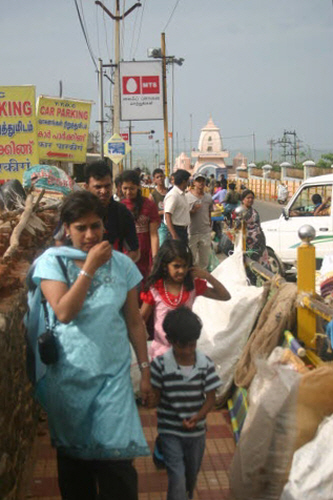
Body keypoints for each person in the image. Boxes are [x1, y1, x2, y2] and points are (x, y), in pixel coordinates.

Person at [32, 191, 152, 500]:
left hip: (113, 379)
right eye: (81, 228)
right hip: (70, 380)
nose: (89, 235)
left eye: (95, 226)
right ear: (67, 229)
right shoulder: (52, 262)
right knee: (76, 473)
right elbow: (64, 311)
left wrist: (145, 368)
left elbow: (134, 322)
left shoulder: (123, 265)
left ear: (104, 227)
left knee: (118, 468)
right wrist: (90, 267)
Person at [150, 306, 222, 500]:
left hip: (197, 433)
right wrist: (149, 397)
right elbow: (154, 397)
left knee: (191, 476)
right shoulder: (160, 365)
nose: (188, 351)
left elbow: (211, 399)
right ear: (171, 341)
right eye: (183, 346)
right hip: (169, 431)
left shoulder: (205, 364)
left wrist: (198, 417)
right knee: (177, 476)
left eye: (192, 345)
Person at [140, 239, 230, 360]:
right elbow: (141, 319)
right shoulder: (156, 288)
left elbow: (225, 296)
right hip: (161, 356)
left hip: (186, 356)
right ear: (165, 266)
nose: (181, 271)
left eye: (184, 266)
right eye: (176, 266)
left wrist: (207, 276)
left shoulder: (192, 286)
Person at [84, 161, 140, 262]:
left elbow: (134, 252)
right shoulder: (76, 211)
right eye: (98, 187)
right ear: (86, 187)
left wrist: (118, 269)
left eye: (107, 186)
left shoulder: (122, 213)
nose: (104, 191)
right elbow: (60, 244)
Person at [121, 169, 160, 281]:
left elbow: (153, 235)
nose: (128, 192)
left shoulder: (149, 205)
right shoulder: (119, 207)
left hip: (145, 255)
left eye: (132, 188)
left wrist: (155, 259)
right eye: (125, 188)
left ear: (138, 187)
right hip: (126, 255)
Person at [240, 189, 272, 281]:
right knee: (248, 265)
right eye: (248, 198)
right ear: (243, 199)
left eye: (252, 198)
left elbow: (258, 226)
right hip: (246, 244)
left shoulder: (255, 212)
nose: (250, 200)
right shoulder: (239, 212)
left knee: (260, 265)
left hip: (259, 244)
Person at [186, 172, 214, 269]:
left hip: (205, 232)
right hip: (192, 232)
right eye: (198, 181)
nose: (201, 183)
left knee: (204, 261)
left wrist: (210, 226)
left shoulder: (208, 197)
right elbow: (183, 214)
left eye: (203, 181)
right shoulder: (187, 197)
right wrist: (192, 211)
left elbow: (209, 212)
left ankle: (202, 281)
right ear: (194, 182)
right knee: (191, 260)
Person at [164, 169, 191, 244]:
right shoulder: (173, 195)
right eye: (188, 181)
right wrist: (174, 235)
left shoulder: (182, 194)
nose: (189, 183)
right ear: (183, 182)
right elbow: (167, 215)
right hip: (176, 230)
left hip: (183, 231)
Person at [149, 168, 168, 245]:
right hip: (160, 225)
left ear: (164, 177)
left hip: (172, 223)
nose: (160, 179)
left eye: (161, 176)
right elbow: (150, 214)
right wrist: (164, 212)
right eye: (157, 177)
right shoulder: (153, 195)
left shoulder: (169, 192)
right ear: (154, 180)